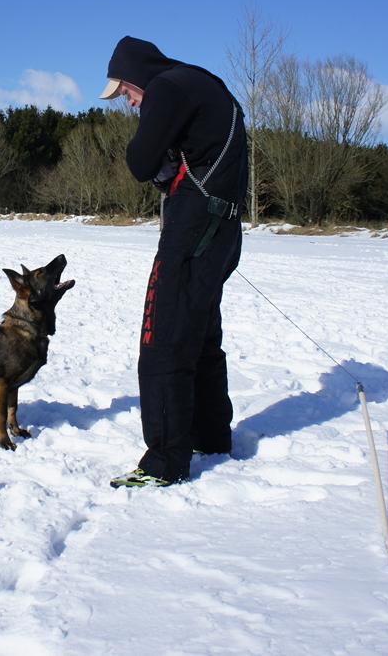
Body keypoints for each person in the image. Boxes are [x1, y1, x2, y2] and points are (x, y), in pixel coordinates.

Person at [101, 37, 248, 488]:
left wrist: (157, 153)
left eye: (125, 92)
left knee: (162, 334)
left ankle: (165, 460)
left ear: (137, 75)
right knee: (200, 333)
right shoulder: (205, 82)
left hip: (194, 225)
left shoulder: (164, 87)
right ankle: (209, 435)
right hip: (224, 227)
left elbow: (140, 162)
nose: (127, 102)